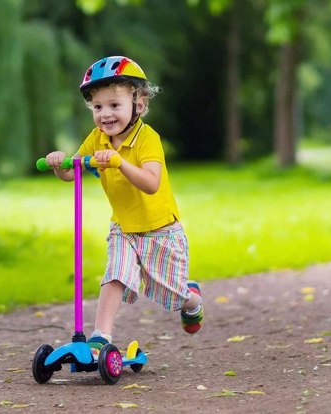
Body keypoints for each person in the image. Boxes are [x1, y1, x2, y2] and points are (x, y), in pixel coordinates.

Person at [44, 56, 203, 357]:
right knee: (115, 273)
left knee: (170, 292)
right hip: (124, 228)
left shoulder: (148, 139)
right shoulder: (97, 139)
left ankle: (192, 300)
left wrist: (120, 163)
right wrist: (58, 162)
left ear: (138, 104)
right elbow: (71, 172)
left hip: (161, 230)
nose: (105, 114)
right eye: (98, 106)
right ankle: (100, 336)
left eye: (114, 105)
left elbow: (151, 183)